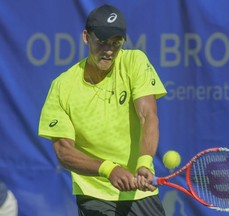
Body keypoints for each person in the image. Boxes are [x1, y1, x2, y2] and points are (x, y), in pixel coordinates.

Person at [38, 4, 167, 216]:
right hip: (94, 194)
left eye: (116, 43)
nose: (108, 50)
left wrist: (144, 162)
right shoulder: (62, 86)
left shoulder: (135, 62)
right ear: (86, 37)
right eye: (102, 42)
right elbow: (63, 151)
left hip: (140, 193)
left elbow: (148, 116)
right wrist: (108, 169)